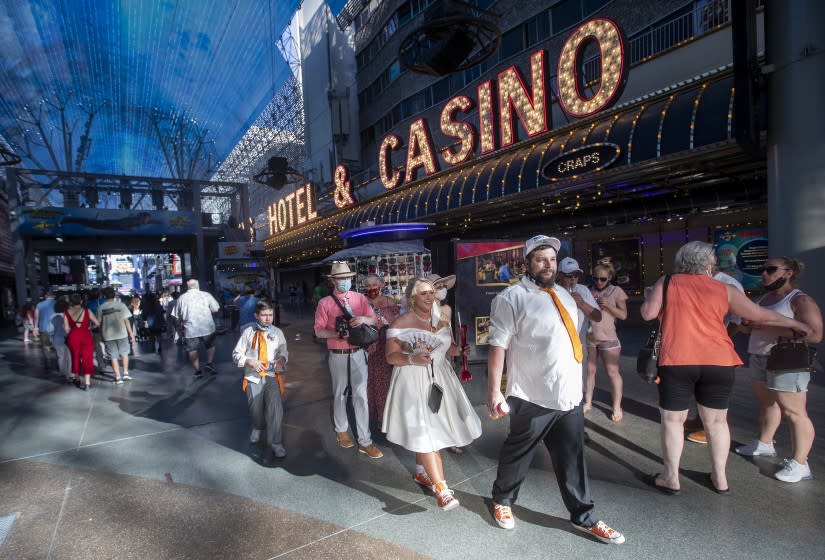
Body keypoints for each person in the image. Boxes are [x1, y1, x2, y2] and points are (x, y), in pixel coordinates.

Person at [640, 241, 812, 495]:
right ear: (709, 264)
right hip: (719, 360)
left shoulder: (667, 282)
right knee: (718, 422)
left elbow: (647, 314)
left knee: (673, 420)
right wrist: (798, 325)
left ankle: (671, 478)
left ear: (681, 261)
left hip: (678, 359)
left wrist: (649, 299)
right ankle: (720, 479)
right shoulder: (724, 288)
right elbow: (759, 315)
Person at [486, 235, 625, 544]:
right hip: (532, 394)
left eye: (551, 260)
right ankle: (502, 501)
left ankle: (584, 516)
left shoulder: (564, 293)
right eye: (540, 259)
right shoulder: (511, 298)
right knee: (518, 453)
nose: (547, 265)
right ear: (527, 263)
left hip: (568, 393)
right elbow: (498, 346)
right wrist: (495, 391)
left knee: (572, 457)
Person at [383, 277, 481, 511]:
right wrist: (411, 358)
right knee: (425, 430)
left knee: (431, 428)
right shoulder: (400, 322)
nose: (429, 297)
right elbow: (390, 356)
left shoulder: (441, 319)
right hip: (412, 378)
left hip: (440, 378)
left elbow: (447, 350)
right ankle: (441, 489)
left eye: (431, 292)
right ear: (412, 297)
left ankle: (421, 472)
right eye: (424, 293)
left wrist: (458, 350)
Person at [734, 256, 823, 483]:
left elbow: (815, 334)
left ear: (788, 273)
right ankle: (765, 443)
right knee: (767, 404)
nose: (764, 273)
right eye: (763, 269)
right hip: (760, 357)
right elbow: (749, 330)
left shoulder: (800, 300)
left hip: (787, 360)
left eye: (771, 269)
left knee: (795, 413)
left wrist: (770, 326)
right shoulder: (764, 299)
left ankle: (801, 463)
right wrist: (747, 325)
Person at [313, 261, 382, 459]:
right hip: (338, 355)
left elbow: (373, 320)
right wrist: (336, 335)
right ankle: (341, 430)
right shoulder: (324, 303)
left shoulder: (360, 299)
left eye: (347, 278)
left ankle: (365, 441)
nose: (344, 281)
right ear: (333, 280)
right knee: (339, 394)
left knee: (361, 396)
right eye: (340, 278)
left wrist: (362, 319)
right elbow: (318, 331)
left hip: (359, 353)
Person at [686, 269, 745, 444]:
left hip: (714, 346)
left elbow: (737, 320)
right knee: (698, 383)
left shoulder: (729, 284)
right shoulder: (694, 281)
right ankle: (700, 419)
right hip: (695, 343)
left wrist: (719, 339)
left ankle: (709, 429)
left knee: (712, 387)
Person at [232, 300, 289, 466]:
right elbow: (236, 354)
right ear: (256, 315)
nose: (268, 318)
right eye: (264, 315)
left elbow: (284, 352)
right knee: (255, 409)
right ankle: (257, 426)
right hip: (253, 377)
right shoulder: (248, 332)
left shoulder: (278, 332)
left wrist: (281, 360)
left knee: (275, 409)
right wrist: (250, 361)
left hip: (272, 376)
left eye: (270, 315)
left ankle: (276, 443)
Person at [584, 261, 628, 422]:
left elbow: (623, 315)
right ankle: (587, 402)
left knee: (612, 373)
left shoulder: (617, 291)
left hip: (609, 338)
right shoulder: (588, 291)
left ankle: (617, 406)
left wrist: (608, 305)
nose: (598, 282)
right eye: (595, 278)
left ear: (609, 277)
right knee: (589, 372)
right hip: (591, 338)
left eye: (602, 279)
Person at [363, 274, 399, 424]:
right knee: (375, 385)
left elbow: (399, 322)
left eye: (374, 284)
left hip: (389, 346)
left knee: (391, 383)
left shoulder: (389, 301)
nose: (371, 288)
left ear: (381, 285)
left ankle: (393, 417)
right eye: (368, 285)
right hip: (370, 349)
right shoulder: (361, 303)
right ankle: (381, 418)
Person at [171, 279, 221, 378]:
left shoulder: (182, 298)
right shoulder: (206, 295)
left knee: (192, 350)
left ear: (187, 287)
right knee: (210, 346)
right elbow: (216, 309)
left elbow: (177, 315)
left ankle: (197, 371)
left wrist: (179, 326)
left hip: (190, 329)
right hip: (207, 327)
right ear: (198, 286)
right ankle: (209, 363)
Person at [98, 287, 135, 384]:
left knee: (113, 356)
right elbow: (126, 320)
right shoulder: (121, 305)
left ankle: (118, 377)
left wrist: (101, 336)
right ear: (114, 295)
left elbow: (100, 324)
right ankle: (126, 373)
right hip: (122, 334)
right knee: (124, 353)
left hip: (108, 335)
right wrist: (131, 334)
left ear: (104, 296)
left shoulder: (101, 308)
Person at [64, 292, 101, 390]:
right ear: (81, 301)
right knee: (87, 358)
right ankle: (87, 383)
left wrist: (72, 332)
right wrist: (89, 328)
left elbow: (66, 329)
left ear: (71, 302)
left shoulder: (67, 312)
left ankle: (77, 378)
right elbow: (97, 323)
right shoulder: (87, 311)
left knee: (75, 357)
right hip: (86, 335)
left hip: (73, 336)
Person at [32, 289, 58, 369]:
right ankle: (59, 361)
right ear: (53, 296)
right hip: (56, 328)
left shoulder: (39, 305)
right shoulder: (57, 304)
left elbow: (36, 316)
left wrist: (36, 327)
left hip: (43, 328)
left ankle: (48, 361)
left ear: (45, 296)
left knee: (46, 346)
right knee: (58, 346)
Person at [51, 296, 72, 382]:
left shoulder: (52, 317)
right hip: (68, 338)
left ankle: (62, 372)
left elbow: (50, 330)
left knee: (60, 357)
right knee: (69, 357)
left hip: (56, 339)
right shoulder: (68, 315)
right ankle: (69, 374)